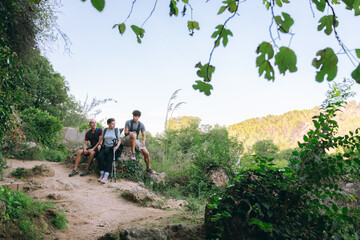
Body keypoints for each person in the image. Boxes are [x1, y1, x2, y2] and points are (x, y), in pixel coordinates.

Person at [122, 110, 156, 175]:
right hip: (127, 139)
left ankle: (148, 168)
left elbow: (143, 135)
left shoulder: (141, 125)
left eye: (136, 116)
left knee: (146, 153)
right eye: (133, 116)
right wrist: (130, 133)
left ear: (139, 117)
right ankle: (133, 154)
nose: (134, 117)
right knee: (133, 135)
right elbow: (125, 133)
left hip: (135, 140)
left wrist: (143, 141)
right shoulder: (128, 122)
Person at [97, 118, 122, 184]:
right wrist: (100, 144)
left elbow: (119, 140)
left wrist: (117, 146)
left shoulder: (116, 130)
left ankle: (105, 177)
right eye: (112, 124)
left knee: (109, 159)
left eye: (114, 124)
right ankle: (102, 174)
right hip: (105, 147)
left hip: (113, 148)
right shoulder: (105, 130)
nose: (114, 125)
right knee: (100, 157)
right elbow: (102, 139)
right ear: (108, 124)